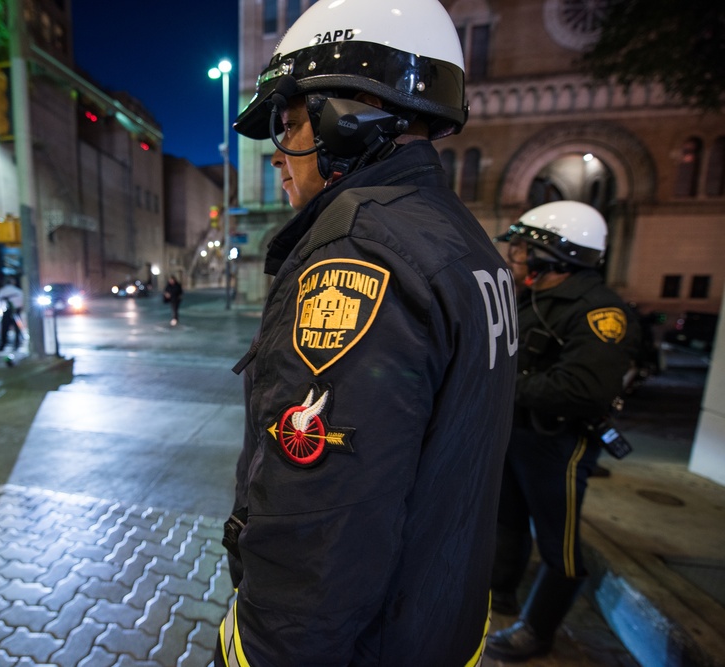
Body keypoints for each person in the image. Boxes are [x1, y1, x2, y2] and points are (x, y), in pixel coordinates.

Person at [216, 1, 519, 664]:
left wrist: (260, 652)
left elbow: (319, 523)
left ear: (347, 119)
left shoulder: (361, 255)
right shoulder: (464, 239)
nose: (278, 156)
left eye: (287, 124)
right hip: (436, 619)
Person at [486, 201, 641, 662]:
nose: (515, 255)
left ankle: (537, 630)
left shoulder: (599, 311)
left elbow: (584, 389)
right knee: (506, 522)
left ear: (559, 254)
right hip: (518, 435)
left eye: (523, 247)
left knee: (560, 541)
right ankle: (500, 597)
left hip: (559, 444)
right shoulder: (532, 297)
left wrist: (502, 384)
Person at [0, 277, 24, 351]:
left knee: (4, 329)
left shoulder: (2, 291)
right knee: (17, 329)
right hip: (16, 312)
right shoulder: (18, 291)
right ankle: (17, 344)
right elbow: (21, 302)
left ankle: (3, 344)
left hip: (6, 312)